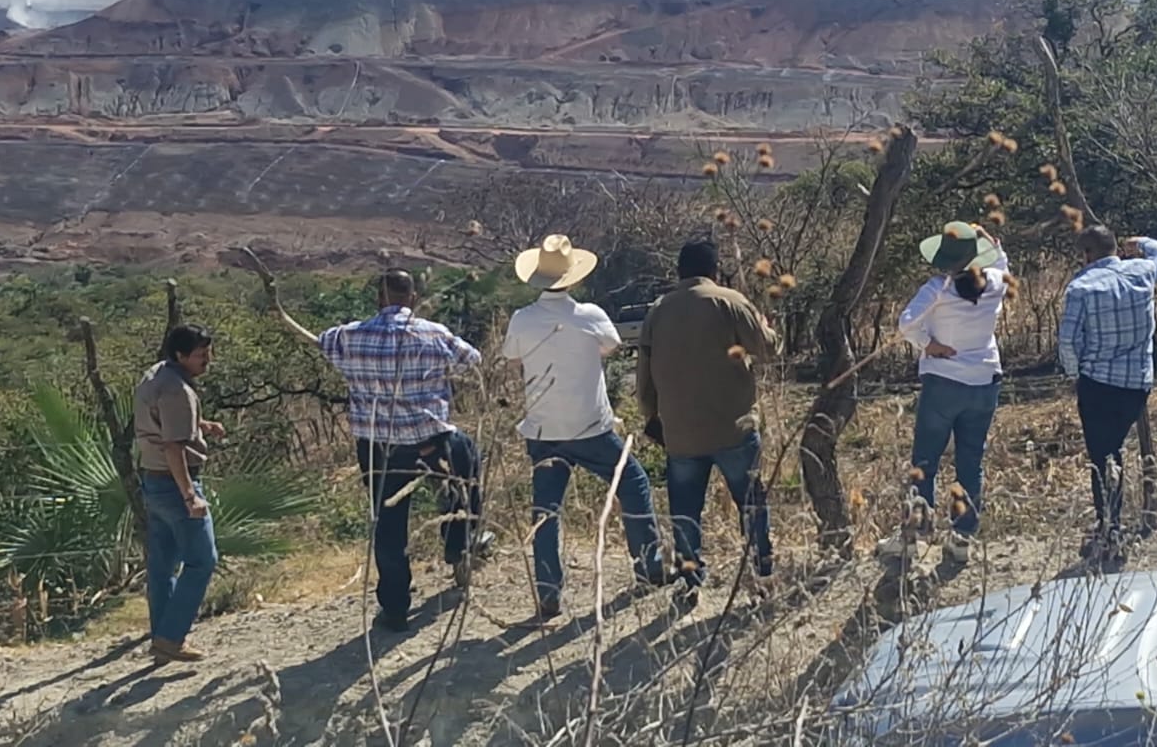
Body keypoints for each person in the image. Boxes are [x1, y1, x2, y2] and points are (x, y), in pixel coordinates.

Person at [273, 269, 487, 632]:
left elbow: (322, 342)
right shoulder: (433, 333)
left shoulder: (348, 336)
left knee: (388, 526)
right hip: (431, 440)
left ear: (378, 299)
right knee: (464, 477)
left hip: (378, 448)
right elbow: (473, 360)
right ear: (413, 298)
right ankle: (459, 547)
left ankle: (395, 608)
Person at [503, 234, 666, 619]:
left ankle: (549, 591)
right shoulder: (591, 314)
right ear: (573, 278)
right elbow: (610, 345)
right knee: (634, 482)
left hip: (543, 430)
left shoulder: (522, 319)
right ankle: (649, 565)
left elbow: (511, 355)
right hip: (590, 427)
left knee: (547, 510)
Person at [637, 239, 779, 605]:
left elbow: (644, 376)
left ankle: (690, 580)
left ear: (679, 272)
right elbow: (767, 349)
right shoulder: (730, 301)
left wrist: (652, 417)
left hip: (681, 431)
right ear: (715, 270)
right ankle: (761, 576)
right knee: (750, 504)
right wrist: (763, 325)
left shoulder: (658, 310)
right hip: (733, 427)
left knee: (685, 510)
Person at [879, 221, 1010, 564]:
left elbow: (906, 323)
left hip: (943, 383)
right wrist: (988, 240)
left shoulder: (938, 289)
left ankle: (914, 535)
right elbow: (1001, 265)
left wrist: (930, 345)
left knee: (925, 459)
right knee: (971, 459)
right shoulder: (994, 284)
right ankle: (962, 537)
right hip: (984, 381)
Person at [1057, 225, 1157, 563]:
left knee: (1103, 457)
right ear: (1116, 248)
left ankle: (1109, 529)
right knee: (1117, 451)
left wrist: (1073, 373)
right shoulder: (1142, 271)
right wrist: (1141, 241)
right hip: (1137, 382)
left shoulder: (1081, 287)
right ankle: (1115, 525)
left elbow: (1068, 341)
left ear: (1087, 254)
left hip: (1098, 383)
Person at [135, 323, 224, 663]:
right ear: (180, 355)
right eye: (201, 355)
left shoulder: (154, 376)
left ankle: (162, 638)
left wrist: (202, 425)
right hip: (175, 485)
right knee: (202, 560)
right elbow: (174, 447)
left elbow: (163, 422)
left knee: (162, 565)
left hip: (152, 481)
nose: (207, 360)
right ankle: (172, 638)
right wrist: (190, 495)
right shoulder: (178, 391)